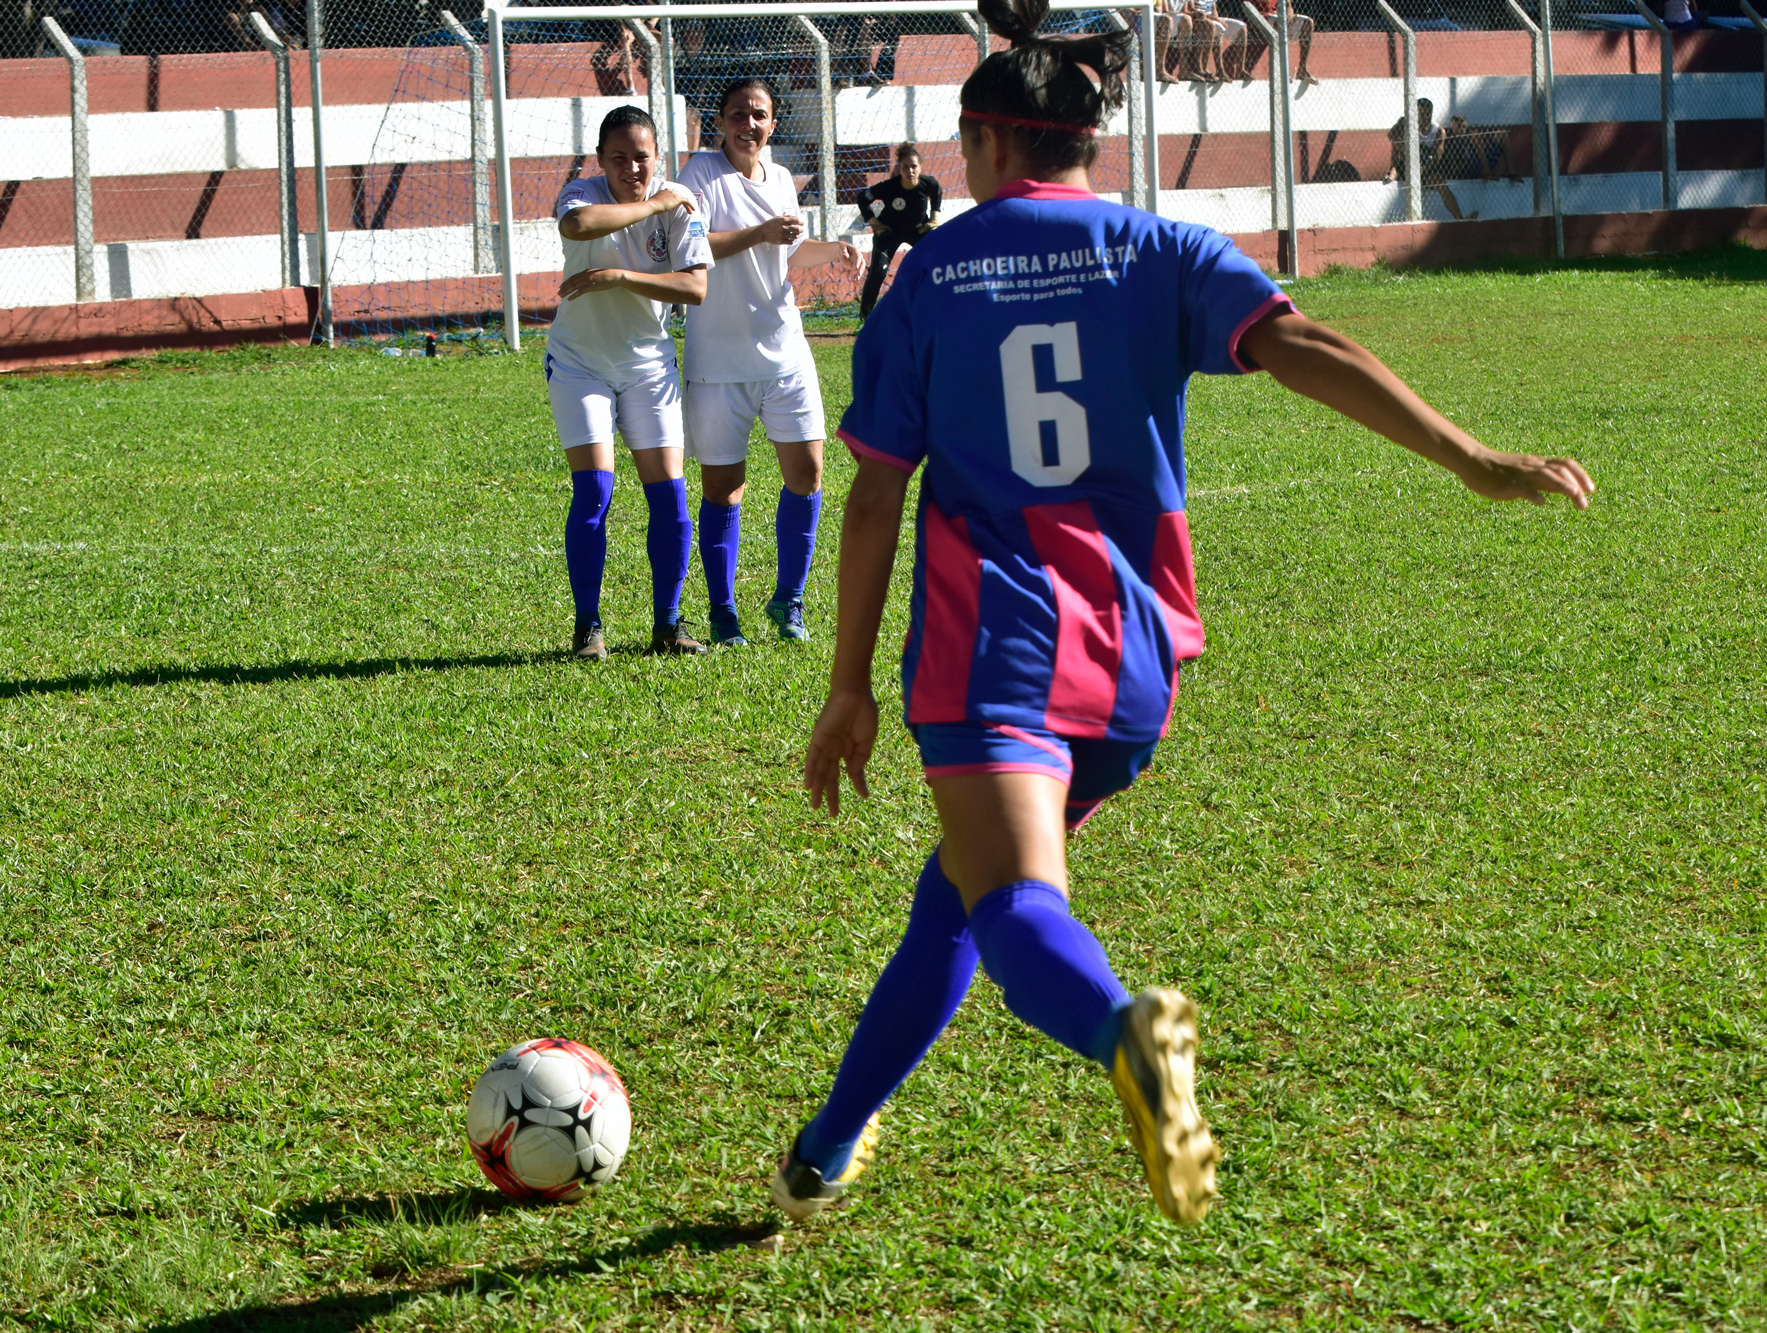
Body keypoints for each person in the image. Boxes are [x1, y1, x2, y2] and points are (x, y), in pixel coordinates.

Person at [769, 0, 1594, 1228]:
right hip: (1132, 657)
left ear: (990, 144)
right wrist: (1468, 456)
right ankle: (822, 1152)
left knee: (1011, 909)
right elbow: (1302, 342)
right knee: (956, 897)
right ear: (1084, 144)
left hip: (996, 642)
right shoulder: (1161, 249)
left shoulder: (929, 277)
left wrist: (845, 683)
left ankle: (1127, 1036)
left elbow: (877, 496)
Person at [679, 78, 870, 647]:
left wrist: (834, 248)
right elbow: (696, 248)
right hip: (718, 362)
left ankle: (789, 600)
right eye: (738, 113)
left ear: (773, 124)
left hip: (785, 351)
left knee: (808, 474)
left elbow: (784, 253)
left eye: (759, 114)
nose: (749, 123)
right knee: (723, 487)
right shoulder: (700, 174)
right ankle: (723, 610)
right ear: (721, 120)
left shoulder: (783, 178)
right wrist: (761, 231)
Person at [546, 106, 711, 659]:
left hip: (647, 367)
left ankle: (668, 623)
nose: (632, 167)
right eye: (619, 158)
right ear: (600, 161)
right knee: (594, 490)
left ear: (657, 155)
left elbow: (695, 289)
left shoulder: (679, 202)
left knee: (669, 495)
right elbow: (578, 226)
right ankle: (588, 626)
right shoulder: (581, 191)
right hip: (579, 365)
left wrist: (621, 275)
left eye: (641, 156)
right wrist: (653, 204)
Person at [856, 144, 944, 321]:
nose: (910, 170)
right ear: (898, 168)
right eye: (905, 166)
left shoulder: (929, 184)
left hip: (918, 231)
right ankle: (865, 319)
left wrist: (934, 217)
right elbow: (863, 198)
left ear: (920, 167)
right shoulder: (890, 186)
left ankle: (936, 314)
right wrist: (875, 223)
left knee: (935, 268)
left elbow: (937, 191)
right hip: (890, 233)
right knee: (878, 272)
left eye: (914, 166)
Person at [1385, 98, 1469, 220]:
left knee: (1441, 185)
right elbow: (1391, 135)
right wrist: (1408, 154)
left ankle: (1460, 218)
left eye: (1428, 113)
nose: (1425, 117)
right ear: (1416, 113)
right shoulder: (1406, 124)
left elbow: (1436, 159)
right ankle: (1393, 170)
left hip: (1426, 166)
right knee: (1399, 143)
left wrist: (1423, 168)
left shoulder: (1439, 131)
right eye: (1422, 113)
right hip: (1408, 163)